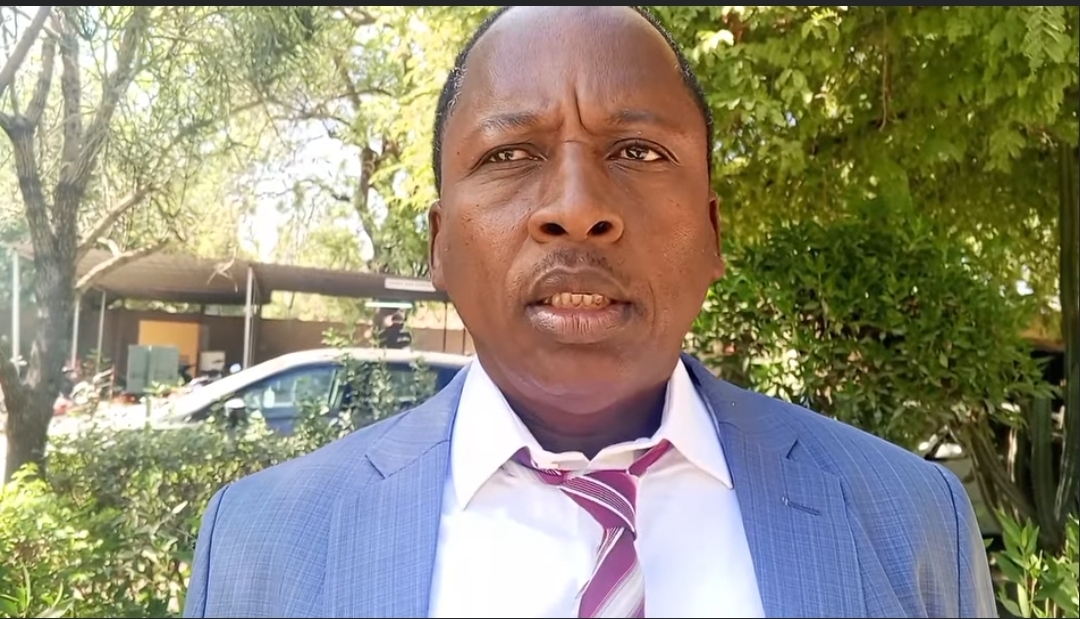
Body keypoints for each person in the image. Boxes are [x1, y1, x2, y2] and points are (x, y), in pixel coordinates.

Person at [183, 6, 996, 618]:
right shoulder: (260, 544)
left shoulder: (912, 519)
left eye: (637, 151)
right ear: (440, 245)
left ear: (713, 234)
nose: (576, 209)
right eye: (510, 154)